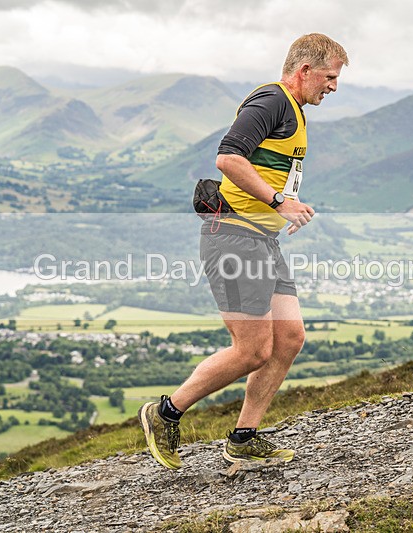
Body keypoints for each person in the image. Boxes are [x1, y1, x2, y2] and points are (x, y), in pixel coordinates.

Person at [139, 33, 348, 469]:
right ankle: (165, 413)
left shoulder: (295, 111)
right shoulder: (271, 101)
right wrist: (279, 203)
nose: (333, 87)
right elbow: (228, 157)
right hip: (233, 237)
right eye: (329, 77)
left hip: (260, 239)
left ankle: (243, 436)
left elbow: (264, 170)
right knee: (252, 349)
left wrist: (279, 211)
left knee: (289, 339)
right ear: (304, 70)